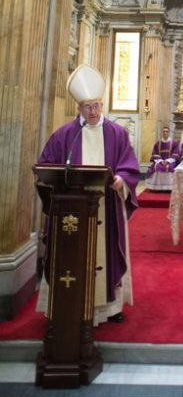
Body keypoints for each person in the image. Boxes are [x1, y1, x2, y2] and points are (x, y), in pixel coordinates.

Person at [37, 63, 140, 325]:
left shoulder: (117, 133)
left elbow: (129, 166)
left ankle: (111, 307)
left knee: (106, 256)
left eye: (97, 106)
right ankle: (63, 303)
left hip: (106, 208)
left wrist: (121, 181)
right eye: (87, 107)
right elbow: (46, 166)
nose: (93, 112)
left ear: (102, 105)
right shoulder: (65, 135)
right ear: (78, 108)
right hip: (72, 211)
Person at [145, 126, 181, 191]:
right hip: (160, 161)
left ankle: (170, 188)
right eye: (164, 131)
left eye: (166, 131)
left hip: (171, 161)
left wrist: (168, 161)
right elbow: (154, 153)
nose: (165, 133)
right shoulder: (158, 143)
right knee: (157, 167)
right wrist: (161, 161)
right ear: (162, 133)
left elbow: (176, 153)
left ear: (169, 133)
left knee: (170, 167)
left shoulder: (174, 143)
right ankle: (157, 188)